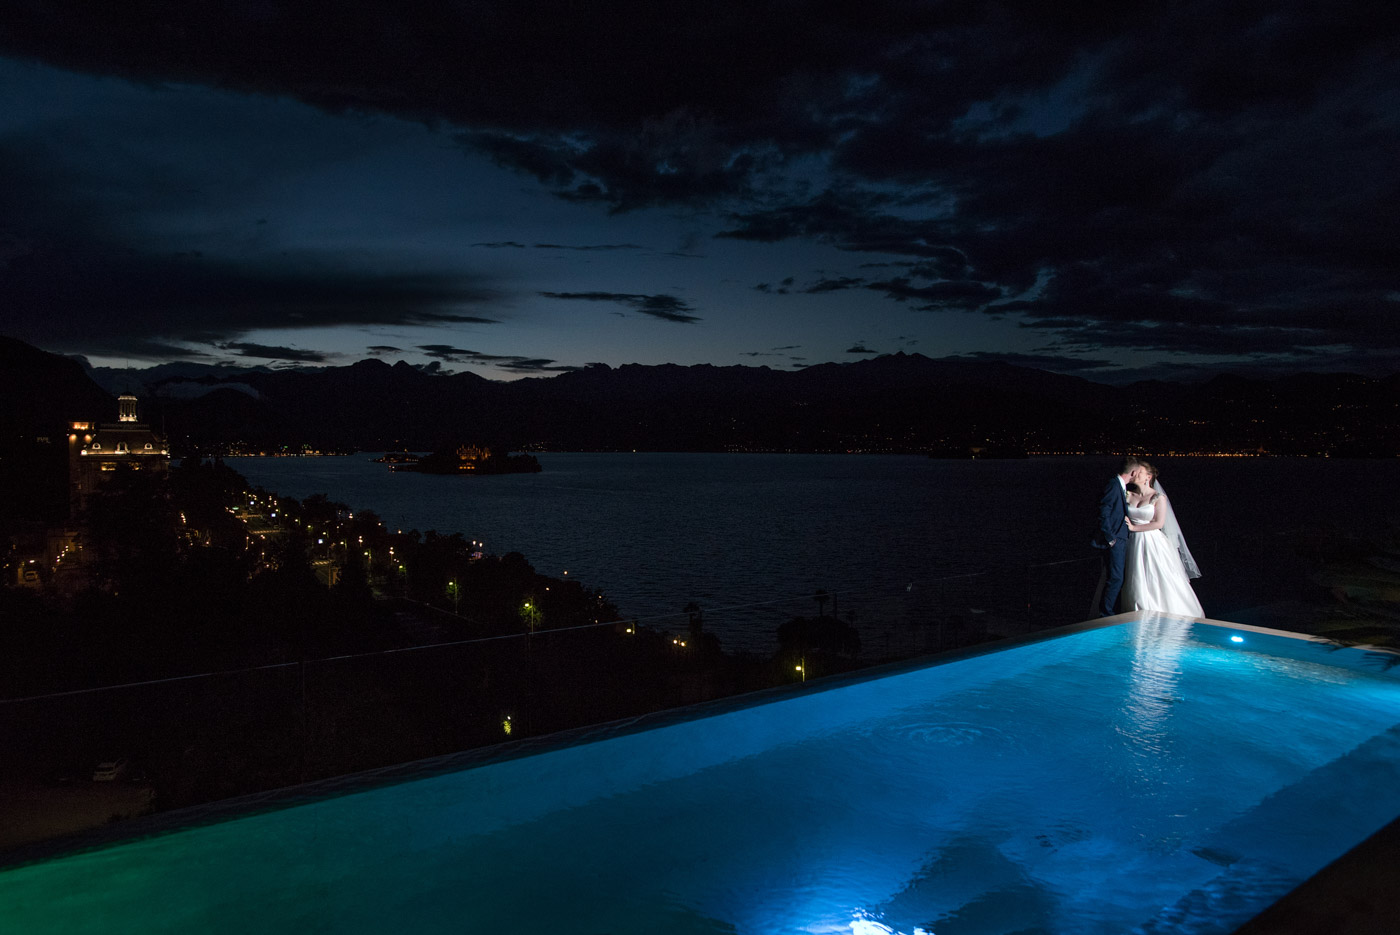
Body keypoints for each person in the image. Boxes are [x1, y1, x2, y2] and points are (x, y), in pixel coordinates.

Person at [1120, 462, 1203, 617]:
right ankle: (1139, 609)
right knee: (1136, 576)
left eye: (1140, 472)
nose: (1135, 474)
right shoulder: (1128, 495)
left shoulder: (1158, 497)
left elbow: (1158, 523)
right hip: (1133, 542)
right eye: (1135, 472)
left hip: (1152, 541)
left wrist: (1134, 528)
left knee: (1158, 575)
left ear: (1148, 477)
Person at [1091, 456, 1142, 617]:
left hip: (1119, 537)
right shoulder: (1114, 485)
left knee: (1116, 577)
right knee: (1116, 578)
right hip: (1115, 539)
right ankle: (1105, 613)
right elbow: (1103, 512)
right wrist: (1110, 538)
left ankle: (1107, 610)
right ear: (1133, 472)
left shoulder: (1118, 485)